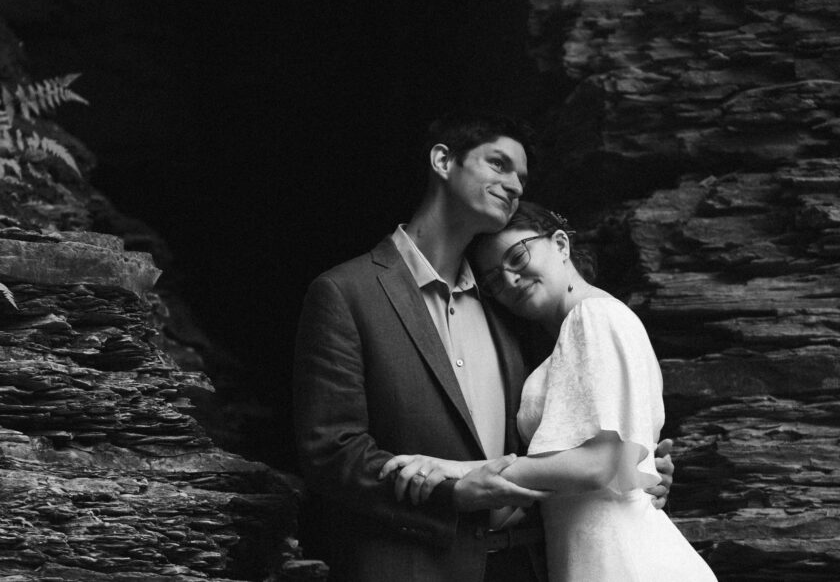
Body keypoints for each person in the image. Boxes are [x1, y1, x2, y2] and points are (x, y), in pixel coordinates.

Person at [293, 112, 673, 582]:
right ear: (443, 161)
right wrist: (450, 491)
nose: (513, 184)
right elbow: (331, 453)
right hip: (415, 566)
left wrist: (634, 467)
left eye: (521, 177)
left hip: (532, 564)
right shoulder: (346, 292)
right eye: (498, 164)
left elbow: (574, 429)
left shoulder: (514, 306)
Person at [381, 202, 715, 581]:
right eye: (494, 279)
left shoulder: (594, 317)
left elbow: (597, 464)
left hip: (624, 558)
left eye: (518, 257)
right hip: (589, 554)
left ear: (560, 244)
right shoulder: (564, 339)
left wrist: (461, 470)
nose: (510, 280)